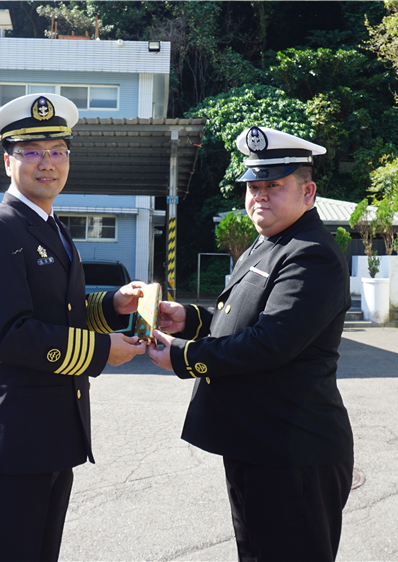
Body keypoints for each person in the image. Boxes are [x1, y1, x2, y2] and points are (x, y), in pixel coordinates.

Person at [149, 126, 354, 561]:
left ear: (308, 191)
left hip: (293, 454)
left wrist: (181, 356)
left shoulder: (310, 253)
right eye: (253, 186)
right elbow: (240, 320)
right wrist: (191, 319)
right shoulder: (267, 245)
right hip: (257, 445)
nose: (259, 195)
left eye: (274, 186)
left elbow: (269, 343)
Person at [0, 93, 147, 562]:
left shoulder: (52, 227)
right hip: (14, 440)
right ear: (9, 162)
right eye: (32, 152)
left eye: (58, 151)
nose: (48, 163)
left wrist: (114, 304)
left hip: (51, 436)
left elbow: (61, 309)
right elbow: (10, 333)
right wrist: (103, 352)